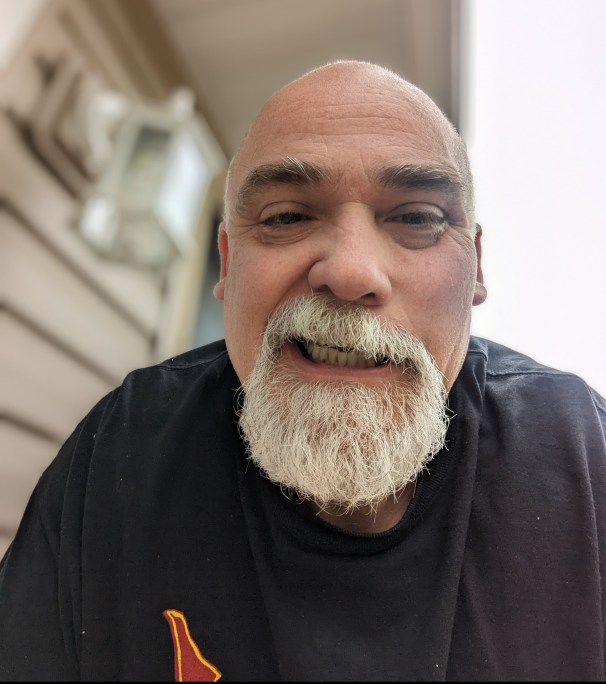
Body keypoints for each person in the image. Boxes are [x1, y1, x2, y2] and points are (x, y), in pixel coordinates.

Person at [0, 60, 604, 682]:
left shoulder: (584, 457)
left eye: (417, 217)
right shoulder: (121, 452)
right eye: (286, 216)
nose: (350, 271)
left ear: (475, 267)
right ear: (227, 265)